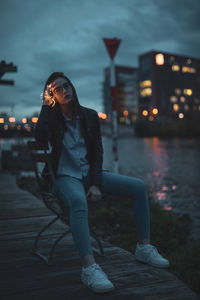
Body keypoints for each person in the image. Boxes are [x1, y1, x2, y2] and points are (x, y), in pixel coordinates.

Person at [35, 72, 170, 294]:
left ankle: (143, 248)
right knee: (78, 201)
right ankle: (89, 268)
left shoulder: (89, 116)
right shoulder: (51, 119)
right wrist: (44, 106)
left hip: (90, 175)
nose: (64, 91)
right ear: (51, 96)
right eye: (56, 90)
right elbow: (40, 137)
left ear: (72, 87)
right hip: (64, 178)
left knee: (137, 187)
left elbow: (97, 152)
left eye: (66, 86)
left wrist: (96, 183)